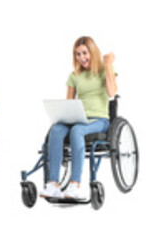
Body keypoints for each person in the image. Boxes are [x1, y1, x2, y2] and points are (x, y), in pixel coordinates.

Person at [39, 36, 118, 201]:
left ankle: (75, 184)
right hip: (79, 118)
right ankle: (53, 184)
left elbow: (112, 93)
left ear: (92, 52)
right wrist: (64, 116)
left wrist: (108, 64)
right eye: (77, 54)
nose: (81, 58)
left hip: (99, 120)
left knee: (77, 131)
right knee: (57, 129)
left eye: (84, 53)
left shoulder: (104, 69)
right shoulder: (74, 75)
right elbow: (69, 103)